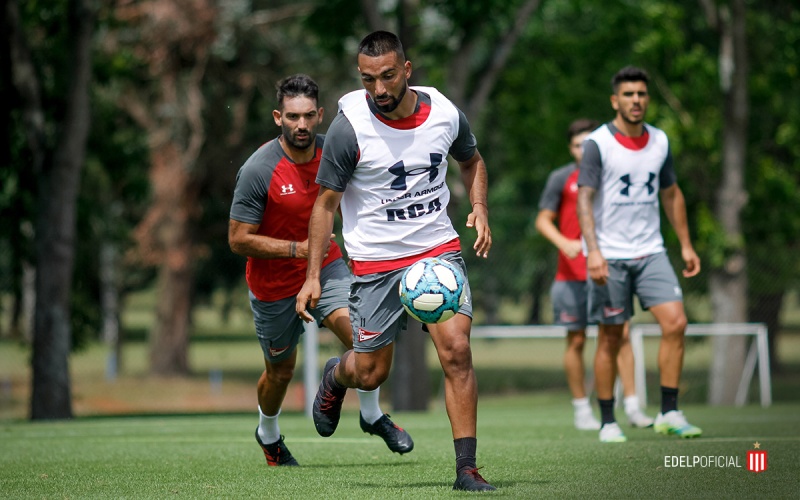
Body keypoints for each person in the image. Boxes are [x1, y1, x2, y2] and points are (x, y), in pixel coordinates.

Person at [295, 31, 495, 492]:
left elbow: (472, 161)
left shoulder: (444, 113)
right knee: (371, 372)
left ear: (407, 70)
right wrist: (312, 277)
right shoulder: (349, 128)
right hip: (376, 260)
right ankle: (337, 375)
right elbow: (325, 206)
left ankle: (467, 469)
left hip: (436, 249)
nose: (379, 89)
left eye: (387, 76)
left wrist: (480, 206)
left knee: (457, 351)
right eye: (368, 79)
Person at [228, 74, 413, 467]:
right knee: (280, 373)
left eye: (309, 116)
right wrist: (297, 249)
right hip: (273, 286)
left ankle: (370, 415)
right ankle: (268, 433)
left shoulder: (335, 152)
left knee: (366, 340)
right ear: (278, 117)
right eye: (293, 116)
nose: (302, 125)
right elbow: (238, 239)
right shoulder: (259, 169)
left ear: (321, 115)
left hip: (327, 269)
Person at [576, 66, 702, 443]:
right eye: (628, 94)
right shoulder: (598, 143)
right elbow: (584, 199)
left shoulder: (660, 141)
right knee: (611, 337)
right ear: (615, 100)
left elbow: (671, 194)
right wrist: (593, 252)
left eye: (641, 94)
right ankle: (608, 421)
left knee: (676, 323)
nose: (636, 100)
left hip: (651, 251)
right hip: (609, 256)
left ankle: (669, 412)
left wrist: (686, 244)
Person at [535, 119, 654, 431]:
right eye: (578, 145)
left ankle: (632, 406)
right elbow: (543, 220)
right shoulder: (561, 178)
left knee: (621, 335)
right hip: (571, 275)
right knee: (576, 340)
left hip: (608, 269)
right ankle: (581, 409)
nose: (583, 150)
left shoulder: (614, 173)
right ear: (570, 148)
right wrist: (564, 242)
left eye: (589, 144)